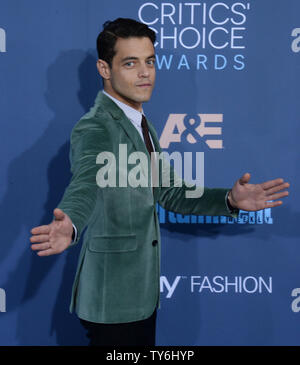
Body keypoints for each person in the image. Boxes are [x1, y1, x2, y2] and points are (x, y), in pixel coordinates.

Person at [30, 18, 289, 346]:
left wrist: (229, 200)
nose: (144, 73)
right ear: (104, 69)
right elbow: (86, 183)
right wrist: (71, 223)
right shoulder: (95, 127)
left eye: (150, 61)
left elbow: (170, 193)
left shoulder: (143, 125)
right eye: (130, 63)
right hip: (112, 301)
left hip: (141, 296)